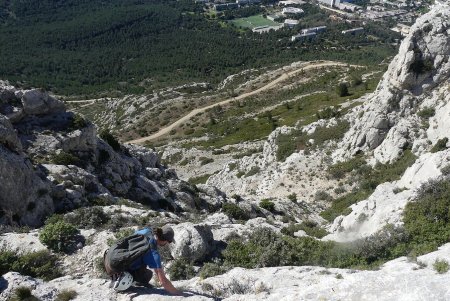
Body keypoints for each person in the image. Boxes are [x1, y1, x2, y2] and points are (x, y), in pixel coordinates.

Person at [114, 225, 181, 295]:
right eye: (169, 241)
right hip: (121, 267)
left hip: (116, 258)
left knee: (146, 271)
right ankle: (127, 281)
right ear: (164, 239)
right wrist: (178, 293)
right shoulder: (153, 252)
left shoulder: (147, 231)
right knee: (147, 275)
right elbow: (163, 281)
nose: (167, 244)